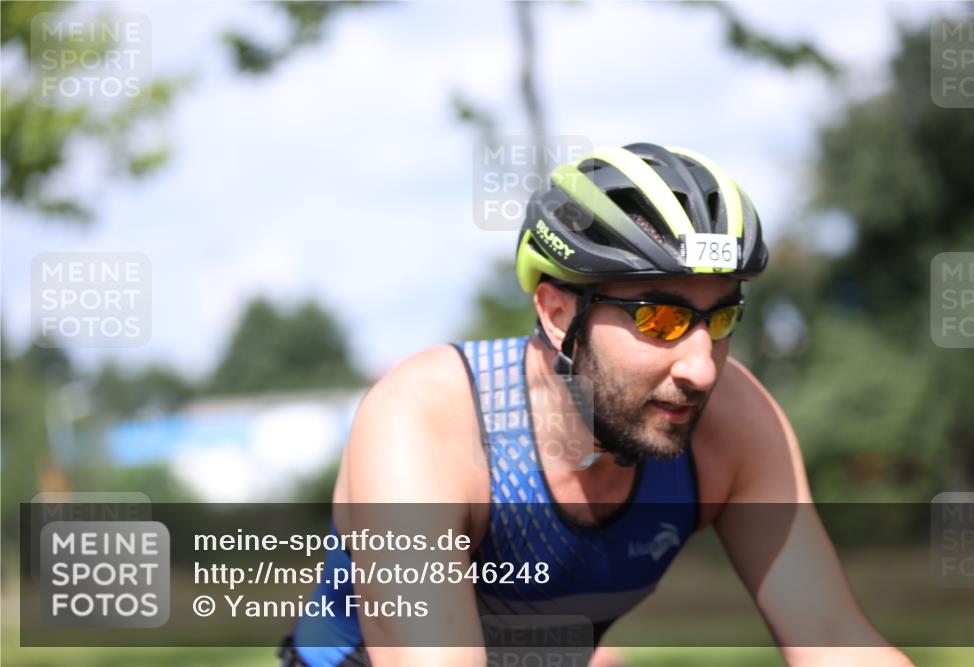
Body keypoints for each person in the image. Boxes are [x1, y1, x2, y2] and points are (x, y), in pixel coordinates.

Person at [281, 142, 915, 666]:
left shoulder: (735, 421)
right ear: (559, 313)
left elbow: (837, 641)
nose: (700, 368)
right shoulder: (425, 421)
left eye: (720, 319)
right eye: (661, 317)